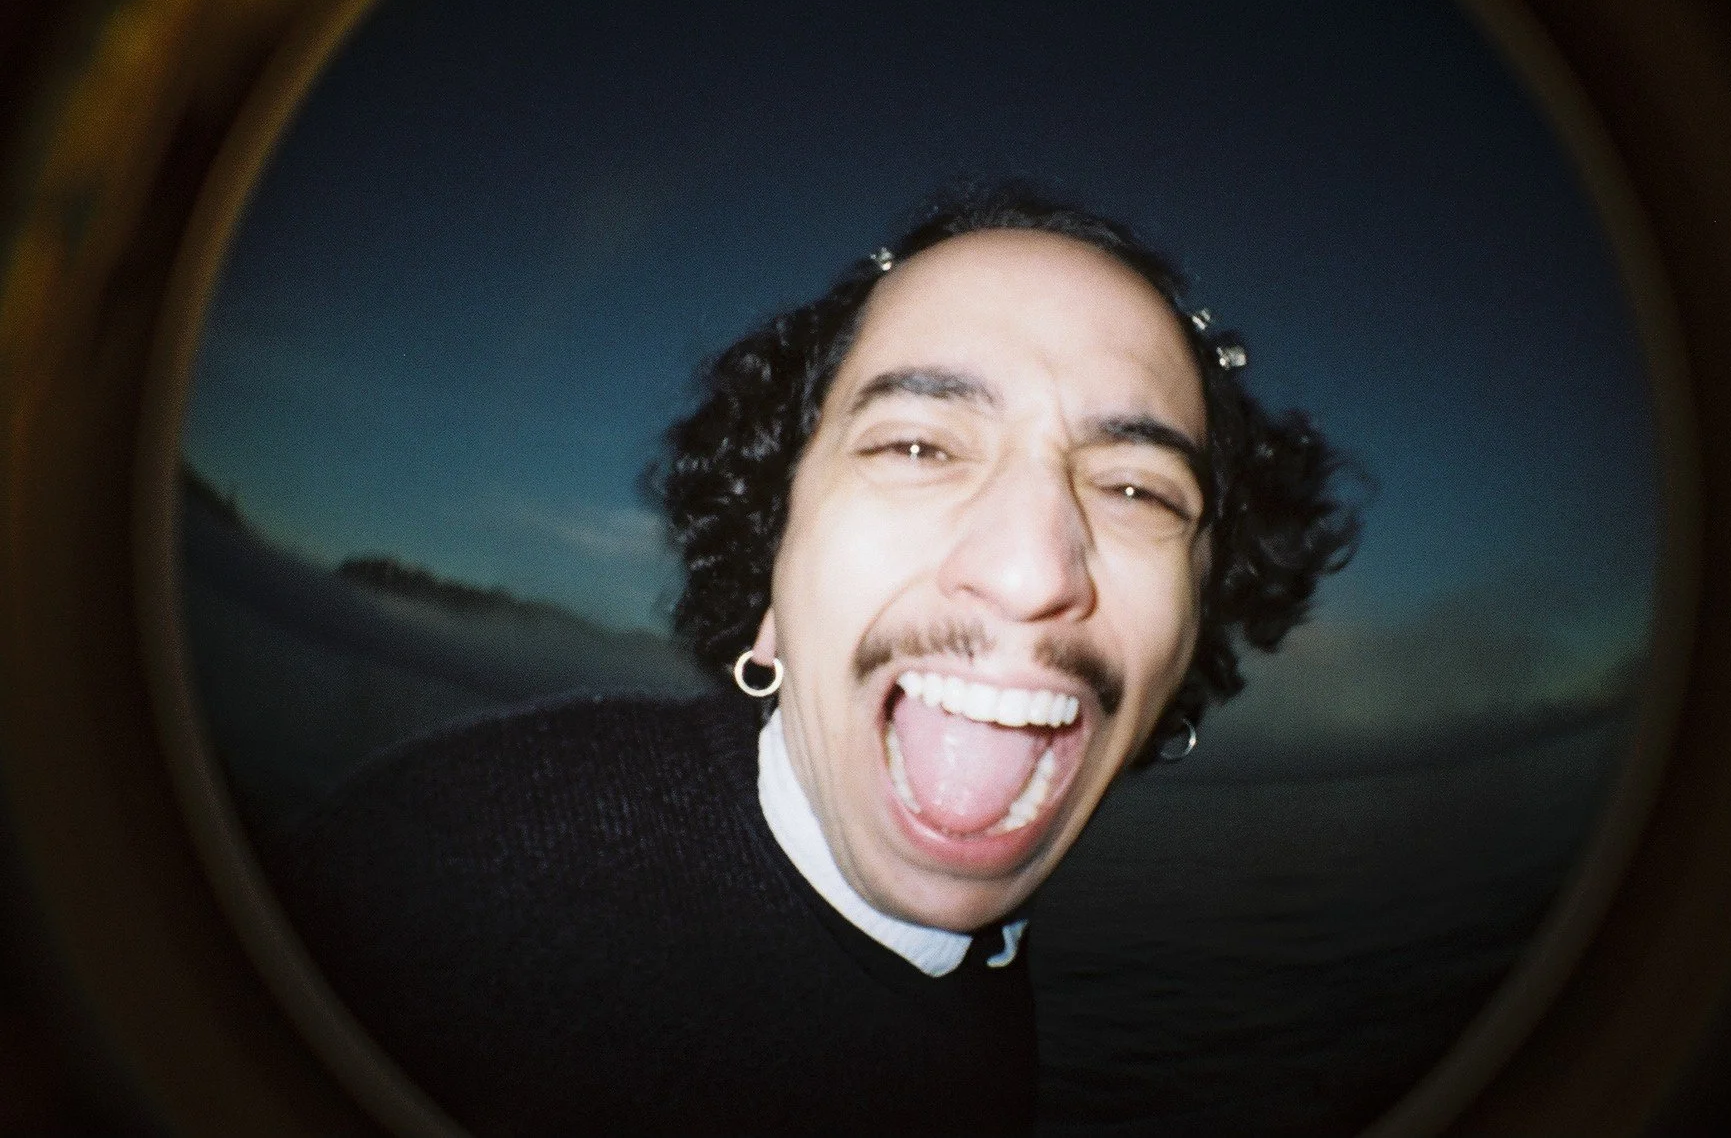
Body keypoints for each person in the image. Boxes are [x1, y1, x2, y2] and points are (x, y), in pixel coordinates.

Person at [267, 182, 1360, 1135]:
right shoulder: (450, 885)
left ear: (1194, 630)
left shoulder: (979, 976)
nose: (1033, 570)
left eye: (1134, 489)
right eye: (919, 446)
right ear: (769, 584)